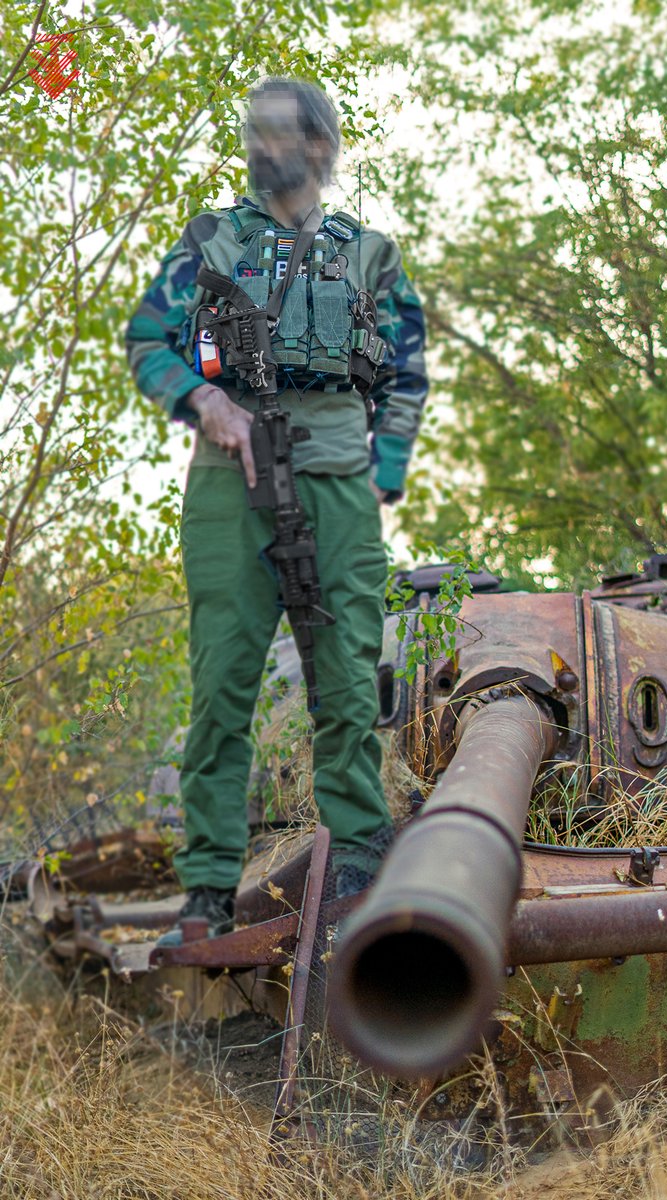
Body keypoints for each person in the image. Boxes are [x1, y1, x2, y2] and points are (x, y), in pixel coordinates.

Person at [125, 77, 427, 943]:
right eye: (253, 132)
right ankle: (210, 888)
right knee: (222, 684)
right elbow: (149, 341)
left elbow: (405, 373)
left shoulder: (369, 254)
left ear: (321, 147)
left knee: (346, 679)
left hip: (337, 478)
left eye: (279, 133)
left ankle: (359, 862)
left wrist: (382, 475)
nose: (262, 145)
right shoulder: (211, 240)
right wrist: (203, 402)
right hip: (231, 478)